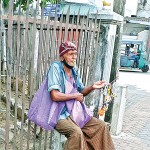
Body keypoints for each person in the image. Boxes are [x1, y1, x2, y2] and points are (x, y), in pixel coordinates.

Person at [47, 41, 115, 150]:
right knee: (76, 133)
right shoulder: (55, 68)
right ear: (62, 56)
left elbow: (81, 91)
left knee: (101, 126)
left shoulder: (74, 70)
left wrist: (92, 86)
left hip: (74, 112)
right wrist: (75, 96)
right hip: (58, 114)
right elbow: (54, 95)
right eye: (70, 54)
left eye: (75, 54)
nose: (74, 57)